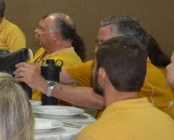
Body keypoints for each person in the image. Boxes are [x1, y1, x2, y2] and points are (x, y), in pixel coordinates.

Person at [15, 16, 174, 118]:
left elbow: (100, 100)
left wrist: (45, 86)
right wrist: (28, 69)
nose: (97, 49)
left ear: (127, 44)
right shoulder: (105, 63)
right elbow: (63, 74)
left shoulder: (144, 74)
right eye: (97, 43)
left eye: (103, 43)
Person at [26, 13, 84, 101]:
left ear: (55, 36)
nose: (37, 32)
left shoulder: (68, 63)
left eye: (42, 29)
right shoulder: (43, 51)